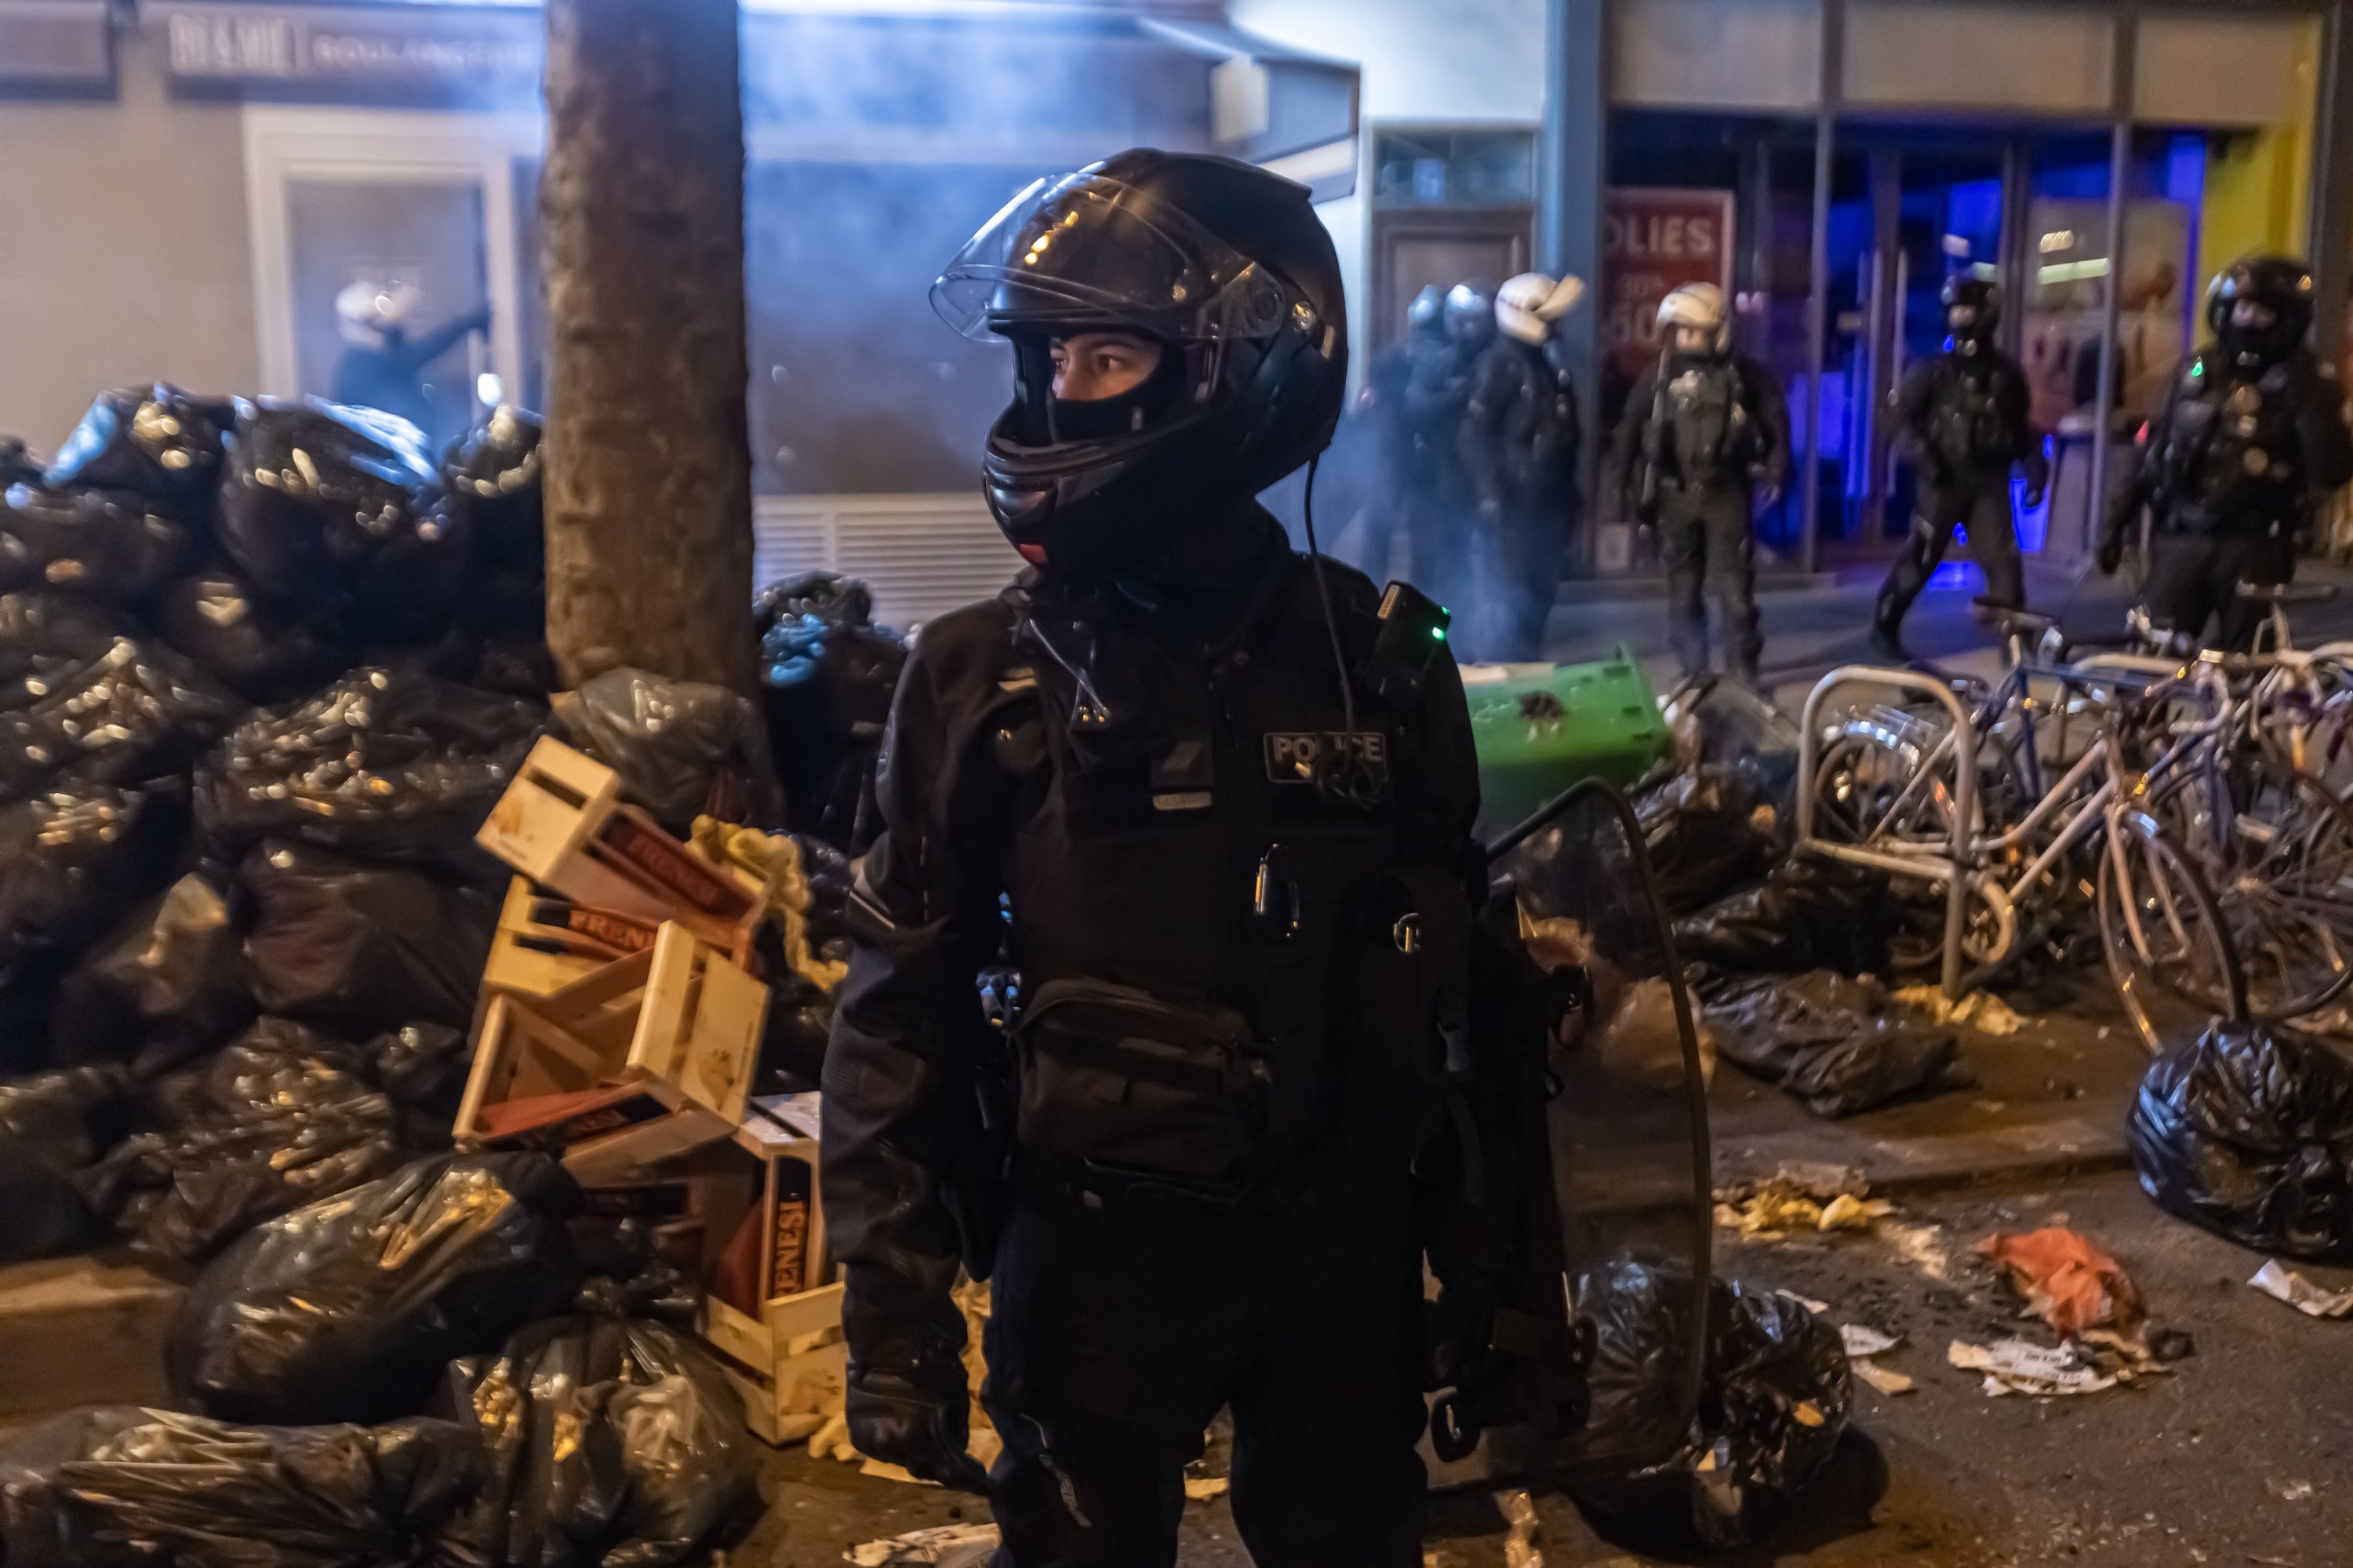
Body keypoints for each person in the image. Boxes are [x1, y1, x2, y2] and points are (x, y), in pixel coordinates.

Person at [823, 150, 1485, 1568]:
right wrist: (892, 1312)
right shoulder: (977, 677)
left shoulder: (1382, 659)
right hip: (1094, 1261)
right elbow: (898, 1011)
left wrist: (1508, 1286)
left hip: (1342, 1266)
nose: (1060, 394)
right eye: (1047, 354)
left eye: (1107, 353)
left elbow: (1466, 995)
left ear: (1235, 371)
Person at [2098, 256, 2353, 651]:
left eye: (2263, 313)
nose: (2249, 320)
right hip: (2180, 541)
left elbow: (2333, 468)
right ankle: (2142, 714)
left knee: (2245, 668)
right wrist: (2114, 523)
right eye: (2243, 308)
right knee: (2147, 663)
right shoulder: (2197, 371)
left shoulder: (2306, 381)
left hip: (2254, 548)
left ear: (2287, 320)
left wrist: (2311, 403)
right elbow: (2151, 454)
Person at [1609, 282, 1788, 684]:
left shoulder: (1745, 377)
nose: (1686, 339)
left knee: (1736, 595)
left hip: (1727, 497)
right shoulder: (1657, 380)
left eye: (1694, 331)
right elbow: (1627, 433)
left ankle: (1743, 669)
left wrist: (1778, 468)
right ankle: (1695, 669)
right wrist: (1620, 487)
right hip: (1676, 497)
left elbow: (1776, 423)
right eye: (1681, 331)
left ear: (1716, 331)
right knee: (1684, 593)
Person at [1871, 278, 2049, 660]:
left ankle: (2015, 641)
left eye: (1968, 311)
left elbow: (2022, 430)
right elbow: (1899, 422)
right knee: (1921, 557)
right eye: (1956, 311)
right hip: (1943, 480)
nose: (1961, 318)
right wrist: (1925, 457)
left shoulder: (2007, 375)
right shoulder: (1932, 369)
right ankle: (1885, 624)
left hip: (1988, 482)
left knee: (2003, 562)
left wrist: (2036, 471)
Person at [1459, 271, 1586, 660]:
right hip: (1513, 503)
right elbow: (1472, 435)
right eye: (1548, 317)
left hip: (1547, 501)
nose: (1556, 325)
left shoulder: (1547, 364)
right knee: (1508, 597)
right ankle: (1504, 670)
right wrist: (1492, 495)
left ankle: (1526, 665)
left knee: (1539, 592)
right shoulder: (1500, 364)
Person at [328, 280, 490, 442]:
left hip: (400, 444)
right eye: (378, 322)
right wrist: (466, 324)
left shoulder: (365, 358)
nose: (385, 326)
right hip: (387, 449)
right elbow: (416, 355)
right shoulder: (361, 363)